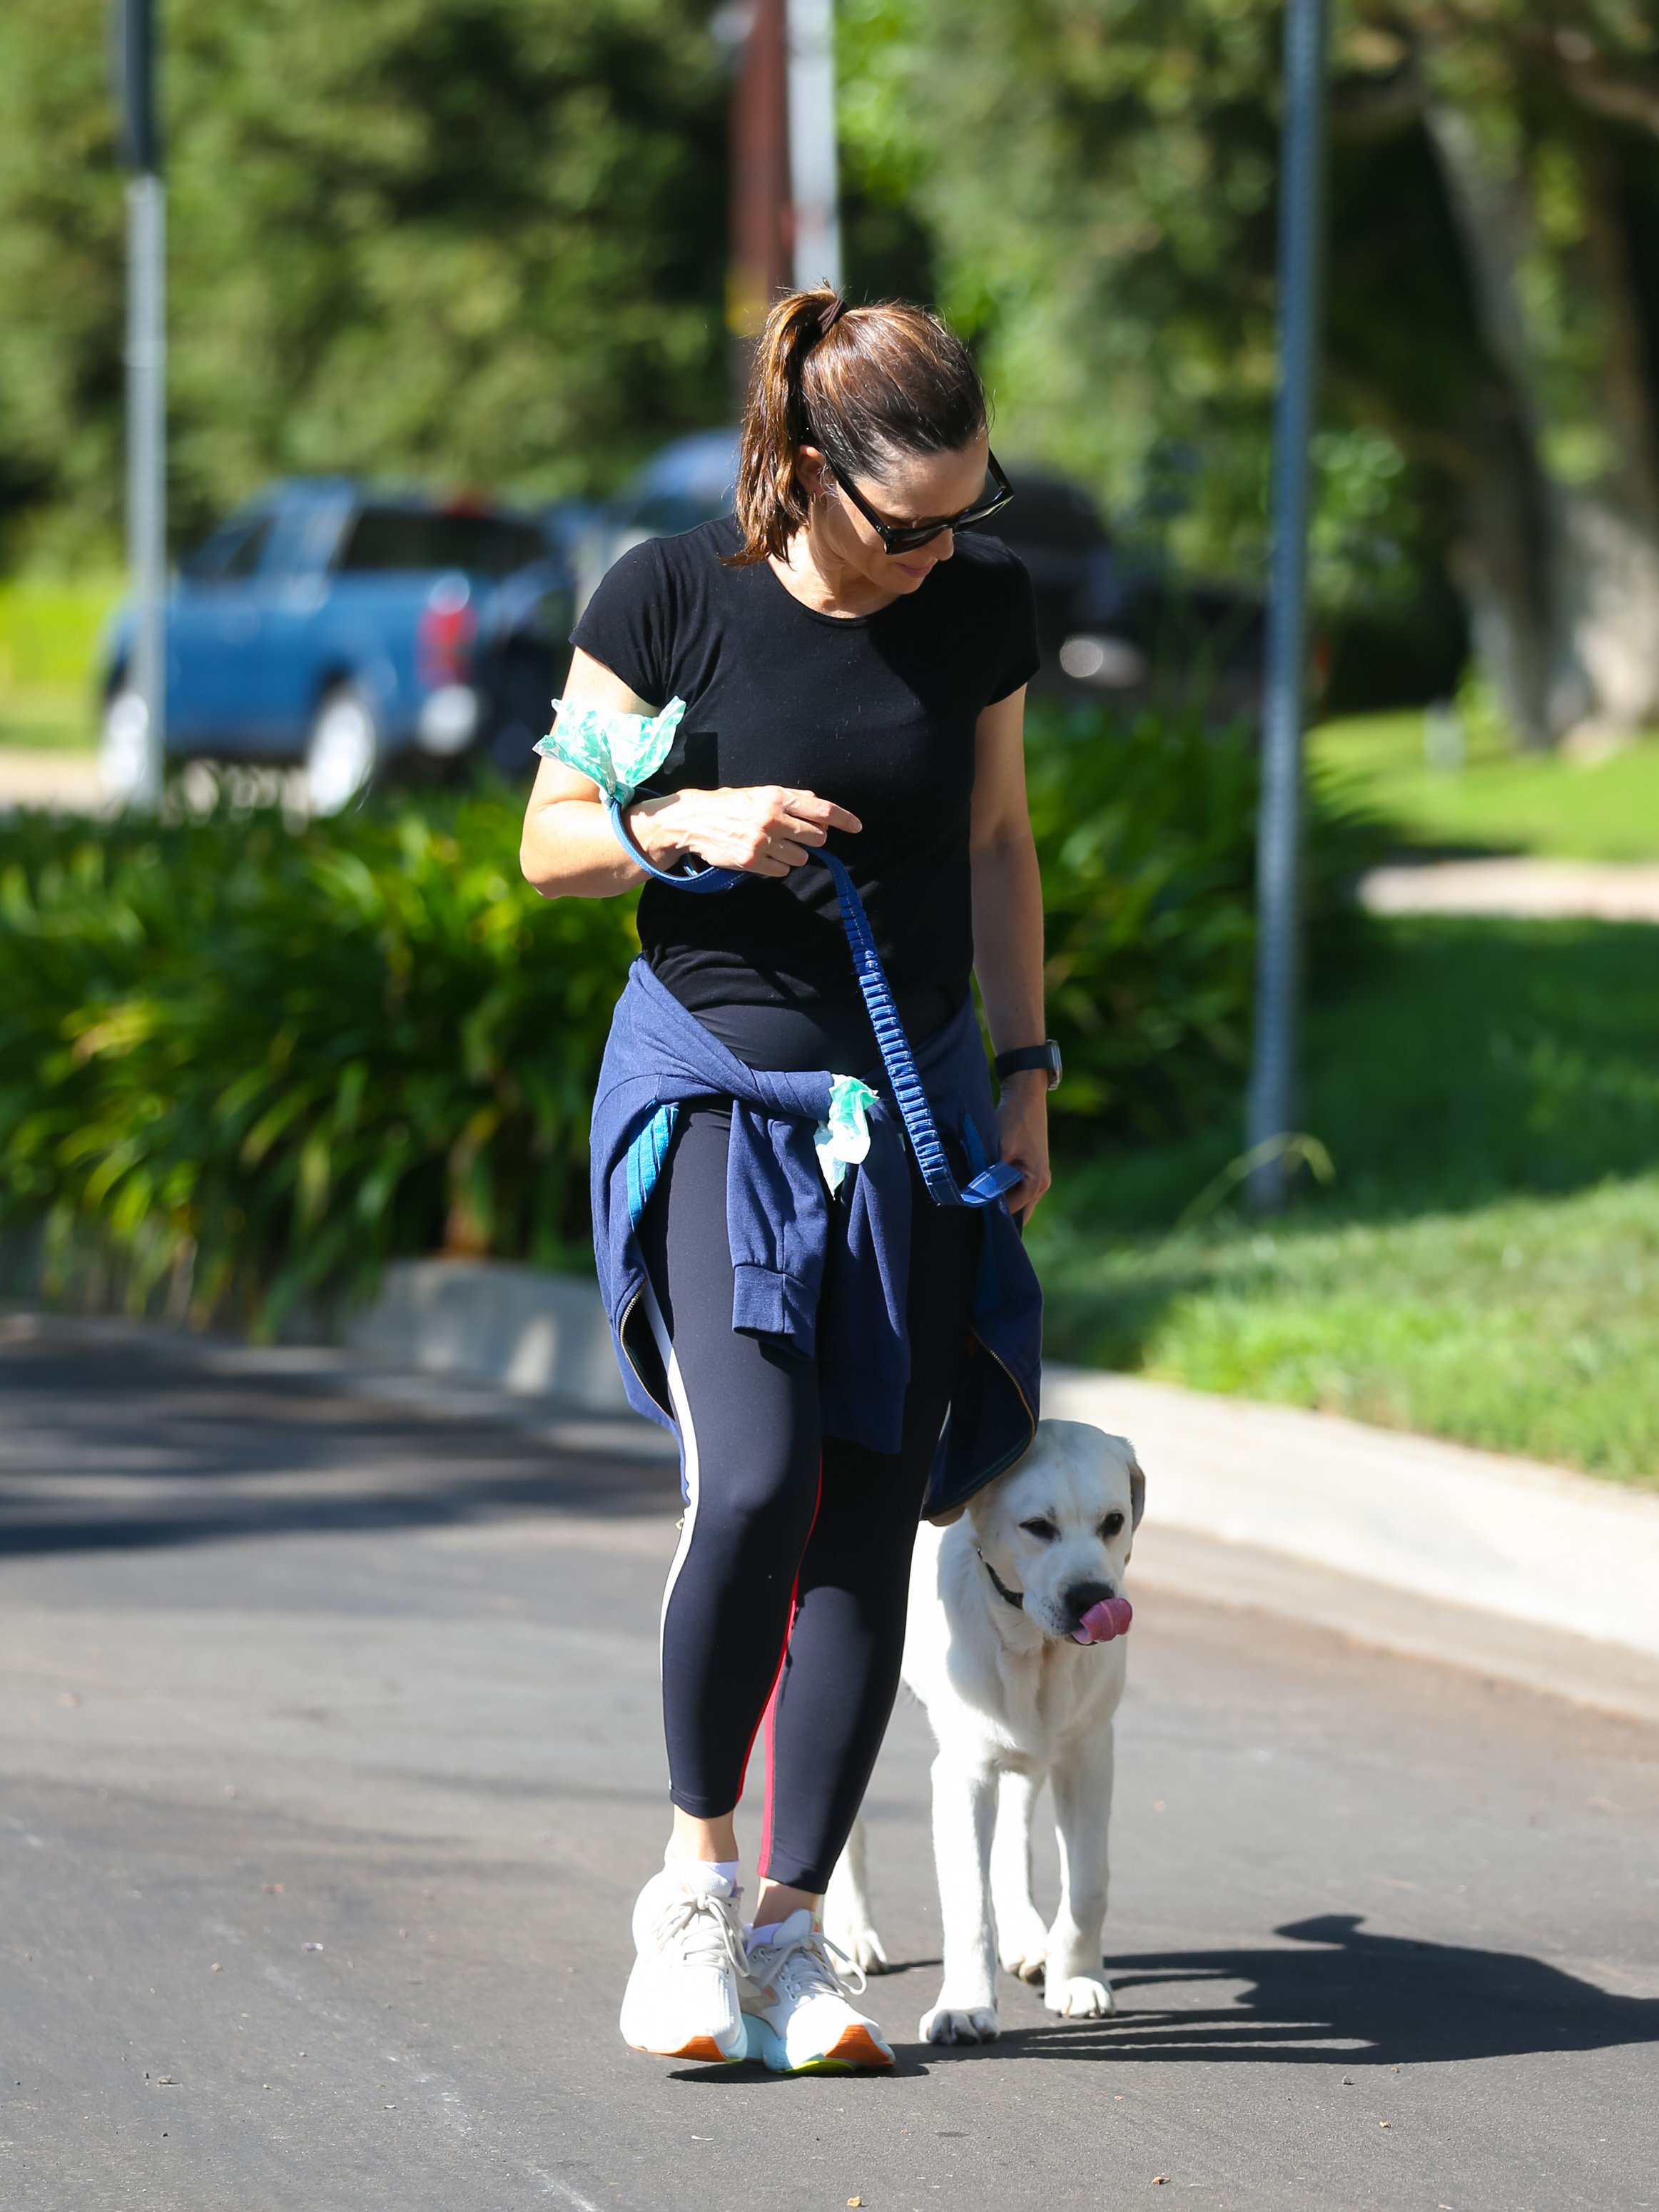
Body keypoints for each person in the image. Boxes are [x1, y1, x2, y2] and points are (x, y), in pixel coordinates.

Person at [519, 288, 1052, 2074]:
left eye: (965, 512)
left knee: (862, 1510)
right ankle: (688, 1886)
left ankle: (791, 1932)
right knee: (750, 1477)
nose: (938, 549)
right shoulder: (667, 598)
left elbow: (993, 839)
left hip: (911, 1104)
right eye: (909, 519)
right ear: (810, 470)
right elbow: (546, 841)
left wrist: (1027, 1077)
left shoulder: (975, 607)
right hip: (720, 1084)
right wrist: (685, 821)